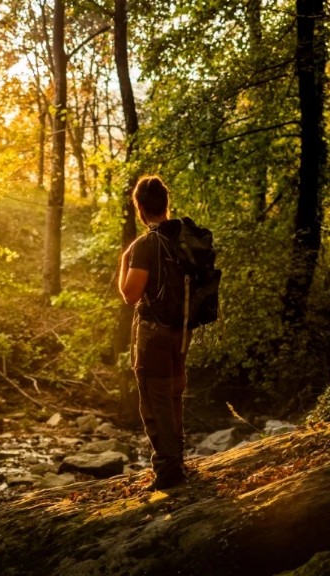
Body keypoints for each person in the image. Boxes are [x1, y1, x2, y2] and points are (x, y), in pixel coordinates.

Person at [118, 174, 190, 490]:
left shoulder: (146, 245)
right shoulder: (185, 238)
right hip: (182, 332)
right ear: (166, 204)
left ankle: (168, 471)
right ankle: (176, 461)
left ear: (140, 208)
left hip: (154, 334)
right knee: (173, 396)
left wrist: (125, 260)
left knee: (155, 399)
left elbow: (130, 294)